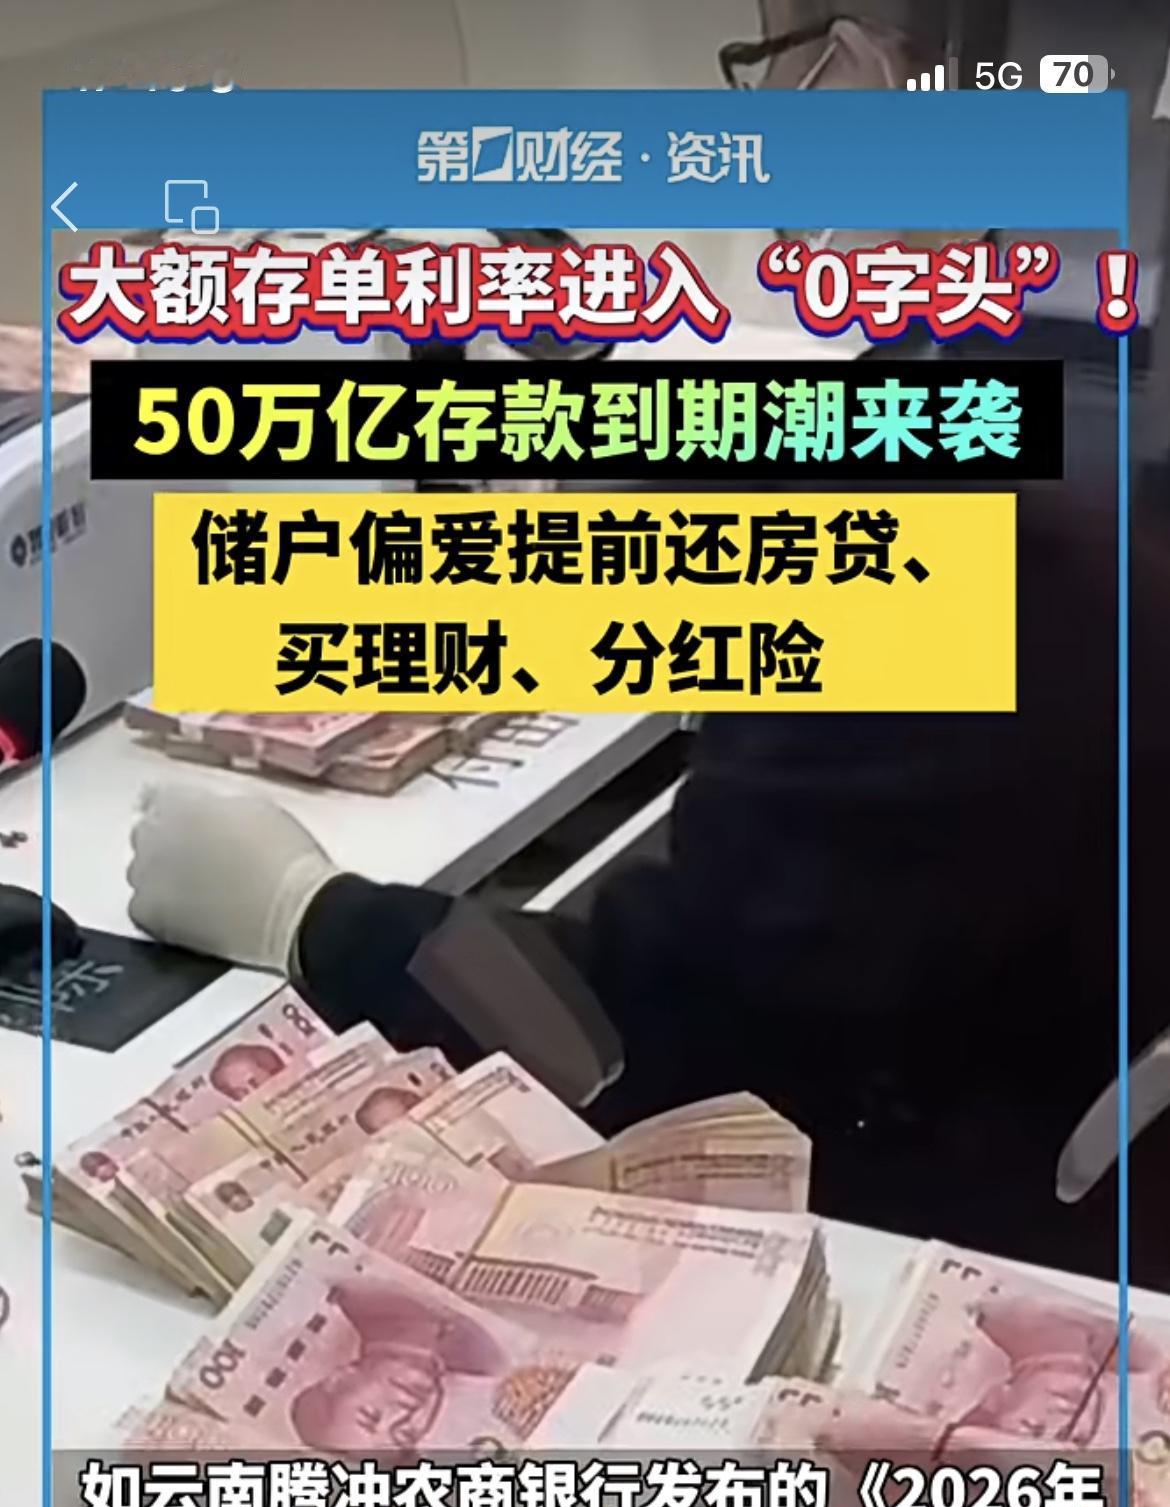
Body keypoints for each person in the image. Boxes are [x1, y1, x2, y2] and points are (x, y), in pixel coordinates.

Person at [127, 448, 1170, 1292]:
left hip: (990, 1210)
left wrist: (311, 915)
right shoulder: (1054, 559)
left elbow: (638, 1051)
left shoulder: (898, 690)